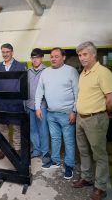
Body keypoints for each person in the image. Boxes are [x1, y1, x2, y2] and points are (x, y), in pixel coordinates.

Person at [73, 41, 112, 200]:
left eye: (85, 54)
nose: (82, 58)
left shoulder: (103, 72)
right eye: (79, 55)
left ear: (93, 55)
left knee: (99, 155)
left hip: (95, 119)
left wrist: (104, 113)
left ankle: (100, 187)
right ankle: (86, 178)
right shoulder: (83, 74)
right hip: (81, 118)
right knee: (83, 151)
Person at [35, 47, 78, 179]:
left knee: (69, 141)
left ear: (63, 57)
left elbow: (78, 93)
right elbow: (39, 91)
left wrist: (74, 111)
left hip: (67, 113)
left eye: (56, 56)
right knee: (55, 138)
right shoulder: (45, 72)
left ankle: (69, 165)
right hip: (51, 113)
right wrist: (37, 107)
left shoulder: (71, 71)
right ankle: (55, 161)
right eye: (51, 57)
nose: (53, 59)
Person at [0, 43, 26, 153]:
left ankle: (17, 150)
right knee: (3, 128)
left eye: (7, 52)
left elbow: (22, 85)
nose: (5, 54)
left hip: (15, 103)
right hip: (2, 103)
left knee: (17, 128)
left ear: (12, 52)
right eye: (3, 52)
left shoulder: (20, 66)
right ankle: (5, 150)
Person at [25, 48, 50, 163]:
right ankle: (36, 150)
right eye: (33, 58)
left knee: (43, 129)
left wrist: (41, 105)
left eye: (37, 58)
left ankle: (45, 152)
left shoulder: (47, 71)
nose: (35, 60)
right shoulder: (28, 71)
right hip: (29, 105)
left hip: (42, 106)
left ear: (42, 58)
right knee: (32, 129)